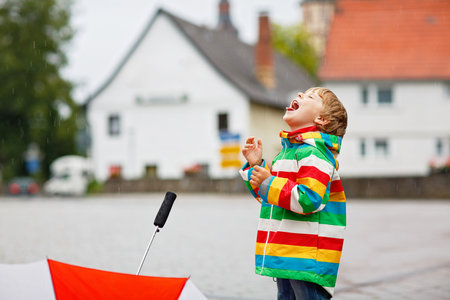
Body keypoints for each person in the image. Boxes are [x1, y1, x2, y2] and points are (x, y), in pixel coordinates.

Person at [239, 87, 348, 299]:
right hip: (287, 252)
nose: (299, 95)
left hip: (306, 257)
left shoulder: (315, 154)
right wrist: (256, 167)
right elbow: (271, 200)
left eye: (309, 97)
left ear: (322, 119)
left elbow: (308, 199)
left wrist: (268, 182)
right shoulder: (288, 154)